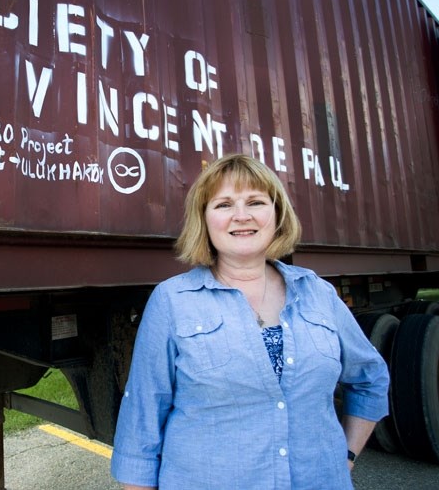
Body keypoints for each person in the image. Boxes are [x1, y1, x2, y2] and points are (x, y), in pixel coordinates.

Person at [110, 154, 390, 489]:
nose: (241, 216)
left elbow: (370, 378)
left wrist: (345, 458)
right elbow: (140, 424)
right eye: (224, 204)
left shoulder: (317, 293)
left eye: (255, 201)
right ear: (204, 219)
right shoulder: (173, 301)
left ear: (276, 214)